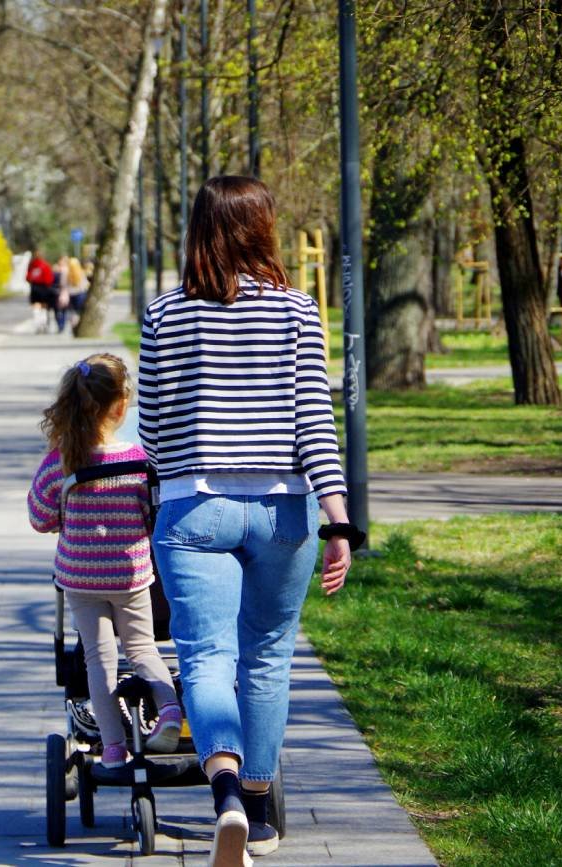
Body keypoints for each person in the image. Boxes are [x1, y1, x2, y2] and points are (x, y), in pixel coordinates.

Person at [138, 176, 358, 865]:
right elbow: (314, 420)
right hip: (284, 510)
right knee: (267, 656)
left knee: (206, 655)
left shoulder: (165, 312)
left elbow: (151, 428)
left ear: (199, 229)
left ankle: (226, 791)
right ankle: (258, 817)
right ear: (262, 228)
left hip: (193, 507)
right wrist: (338, 520)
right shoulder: (297, 310)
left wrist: (181, 474)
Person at [28, 353, 183, 769]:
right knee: (142, 647)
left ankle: (113, 746)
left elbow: (40, 518)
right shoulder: (137, 461)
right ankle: (169, 710)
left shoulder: (61, 462)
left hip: (80, 577)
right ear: (121, 406)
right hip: (131, 575)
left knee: (99, 660)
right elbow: (152, 517)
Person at [26, 252, 55, 333]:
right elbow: (49, 279)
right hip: (44, 288)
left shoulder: (32, 265)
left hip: (34, 287)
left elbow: (27, 277)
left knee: (36, 307)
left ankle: (37, 325)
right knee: (44, 307)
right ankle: (43, 325)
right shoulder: (45, 265)